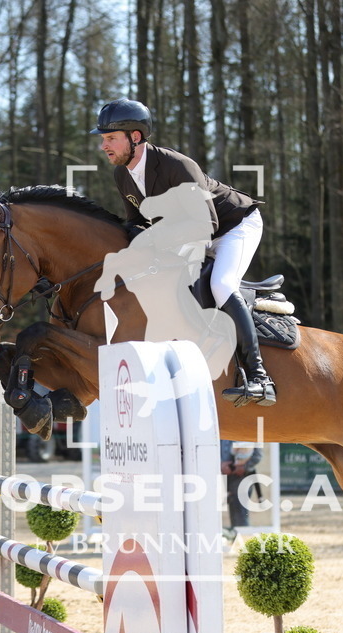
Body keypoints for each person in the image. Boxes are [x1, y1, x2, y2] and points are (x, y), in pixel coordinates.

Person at [90, 97, 276, 406]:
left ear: (135, 138)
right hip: (192, 233)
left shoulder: (177, 165)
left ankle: (259, 378)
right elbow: (136, 222)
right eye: (103, 139)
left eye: (110, 138)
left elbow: (207, 224)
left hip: (232, 227)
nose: (103, 146)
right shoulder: (123, 175)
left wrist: (154, 241)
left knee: (220, 285)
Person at [220, 440, 263, 529]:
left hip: (241, 477)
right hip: (217, 475)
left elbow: (257, 455)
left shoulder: (249, 428)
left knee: (239, 516)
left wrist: (243, 467)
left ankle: (242, 540)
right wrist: (220, 465)